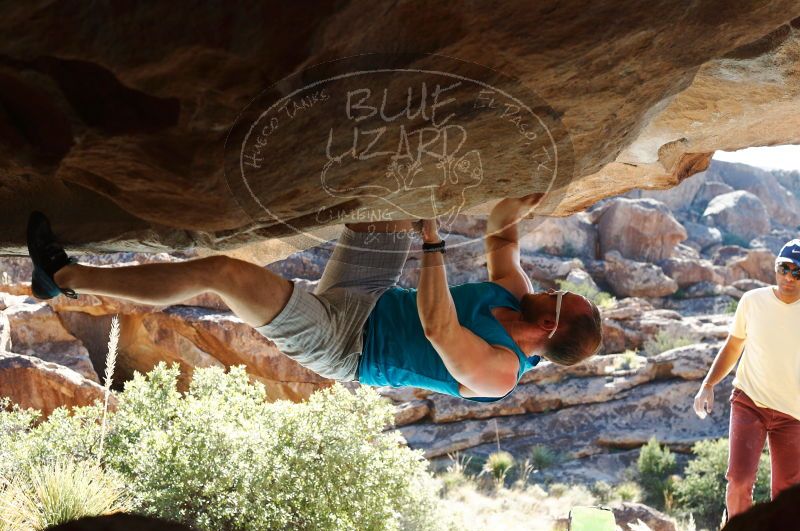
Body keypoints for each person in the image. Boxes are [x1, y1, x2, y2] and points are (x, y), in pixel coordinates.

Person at [27, 193, 602, 401]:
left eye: (558, 300)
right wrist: (530, 196)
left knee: (225, 274)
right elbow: (503, 236)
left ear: (549, 330)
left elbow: (437, 327)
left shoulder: (500, 374)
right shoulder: (517, 291)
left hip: (344, 343)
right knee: (386, 201)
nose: (548, 290)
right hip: (370, 295)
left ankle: (65, 276)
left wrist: (432, 243)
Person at [693, 239, 800, 520]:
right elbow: (733, 346)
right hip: (750, 401)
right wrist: (708, 385)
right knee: (739, 482)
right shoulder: (753, 301)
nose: (789, 277)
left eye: (797, 271)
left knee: (788, 495)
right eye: (784, 268)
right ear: (775, 268)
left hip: (794, 416)